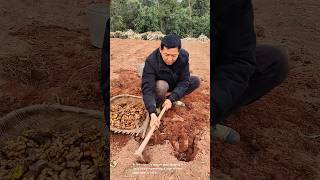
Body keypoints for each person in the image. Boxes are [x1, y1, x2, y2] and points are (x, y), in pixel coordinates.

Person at [212, 0, 289, 144]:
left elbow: (239, 59)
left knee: (275, 61)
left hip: (213, 66)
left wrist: (213, 104)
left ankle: (208, 121)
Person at [140, 34, 200, 129]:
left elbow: (184, 81)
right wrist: (152, 112)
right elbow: (148, 88)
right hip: (160, 86)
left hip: (173, 83)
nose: (169, 59)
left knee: (195, 81)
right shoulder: (151, 61)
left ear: (179, 52)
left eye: (174, 55)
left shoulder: (184, 57)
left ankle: (170, 98)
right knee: (161, 86)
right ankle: (158, 105)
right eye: (166, 54)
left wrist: (171, 98)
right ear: (161, 50)